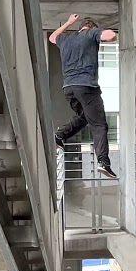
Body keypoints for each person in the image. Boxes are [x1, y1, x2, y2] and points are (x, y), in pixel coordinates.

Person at [50, 14, 117, 178]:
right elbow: (111, 35)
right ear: (92, 27)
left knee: (84, 116)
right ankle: (103, 162)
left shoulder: (66, 38)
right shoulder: (91, 34)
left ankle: (59, 135)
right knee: (99, 125)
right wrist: (103, 34)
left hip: (69, 88)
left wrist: (68, 23)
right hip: (87, 86)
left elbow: (53, 37)